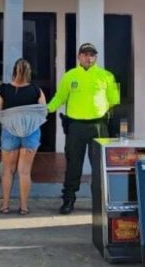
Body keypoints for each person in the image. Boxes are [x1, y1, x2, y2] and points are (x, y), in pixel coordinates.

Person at [47, 43, 119, 214]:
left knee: (100, 166)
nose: (89, 58)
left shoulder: (106, 76)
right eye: (85, 54)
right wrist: (46, 109)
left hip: (98, 126)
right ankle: (69, 200)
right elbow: (59, 98)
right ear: (79, 56)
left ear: (96, 57)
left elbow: (114, 100)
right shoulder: (70, 76)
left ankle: (102, 203)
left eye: (92, 55)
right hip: (76, 127)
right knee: (73, 165)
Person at [0, 59, 48, 215]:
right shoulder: (36, 90)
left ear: (14, 71)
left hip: (10, 131)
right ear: (29, 72)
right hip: (31, 133)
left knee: (7, 171)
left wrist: (12, 120)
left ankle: (4, 206)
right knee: (24, 171)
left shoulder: (4, 90)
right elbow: (43, 111)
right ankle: (24, 207)